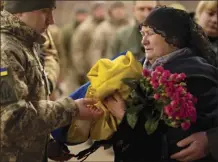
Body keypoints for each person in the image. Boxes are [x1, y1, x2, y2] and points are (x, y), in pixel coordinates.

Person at [102, 6, 218, 162]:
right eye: (142, 34)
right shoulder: (145, 67)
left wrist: (124, 116)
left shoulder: (194, 76)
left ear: (174, 38)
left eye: (150, 34)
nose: (143, 41)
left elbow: (177, 143)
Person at [0, 1, 102, 162]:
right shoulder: (6, 50)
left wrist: (45, 142)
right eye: (44, 12)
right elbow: (14, 118)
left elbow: (31, 101)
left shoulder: (24, 42)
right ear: (19, 12)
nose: (51, 20)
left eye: (52, 12)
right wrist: (72, 108)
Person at [71, 2, 106, 86]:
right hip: (89, 69)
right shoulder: (85, 28)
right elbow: (77, 50)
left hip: (105, 67)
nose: (100, 12)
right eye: (98, 9)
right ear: (93, 11)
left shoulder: (106, 25)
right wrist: (81, 71)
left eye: (102, 9)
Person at [88, 1, 130, 67]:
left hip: (128, 66)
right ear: (110, 11)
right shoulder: (103, 28)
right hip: (109, 67)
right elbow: (96, 50)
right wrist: (97, 68)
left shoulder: (131, 26)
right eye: (116, 9)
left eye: (121, 8)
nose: (119, 11)